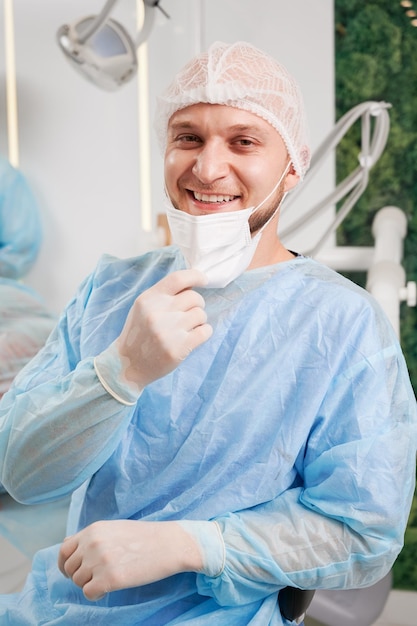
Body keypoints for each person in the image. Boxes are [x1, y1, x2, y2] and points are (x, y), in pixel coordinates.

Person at [0, 40, 416, 625]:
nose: (207, 167)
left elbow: (362, 531)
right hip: (60, 608)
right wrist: (121, 373)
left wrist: (188, 547)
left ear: (291, 165)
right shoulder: (110, 291)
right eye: (188, 137)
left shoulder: (342, 324)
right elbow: (21, 471)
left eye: (243, 141)